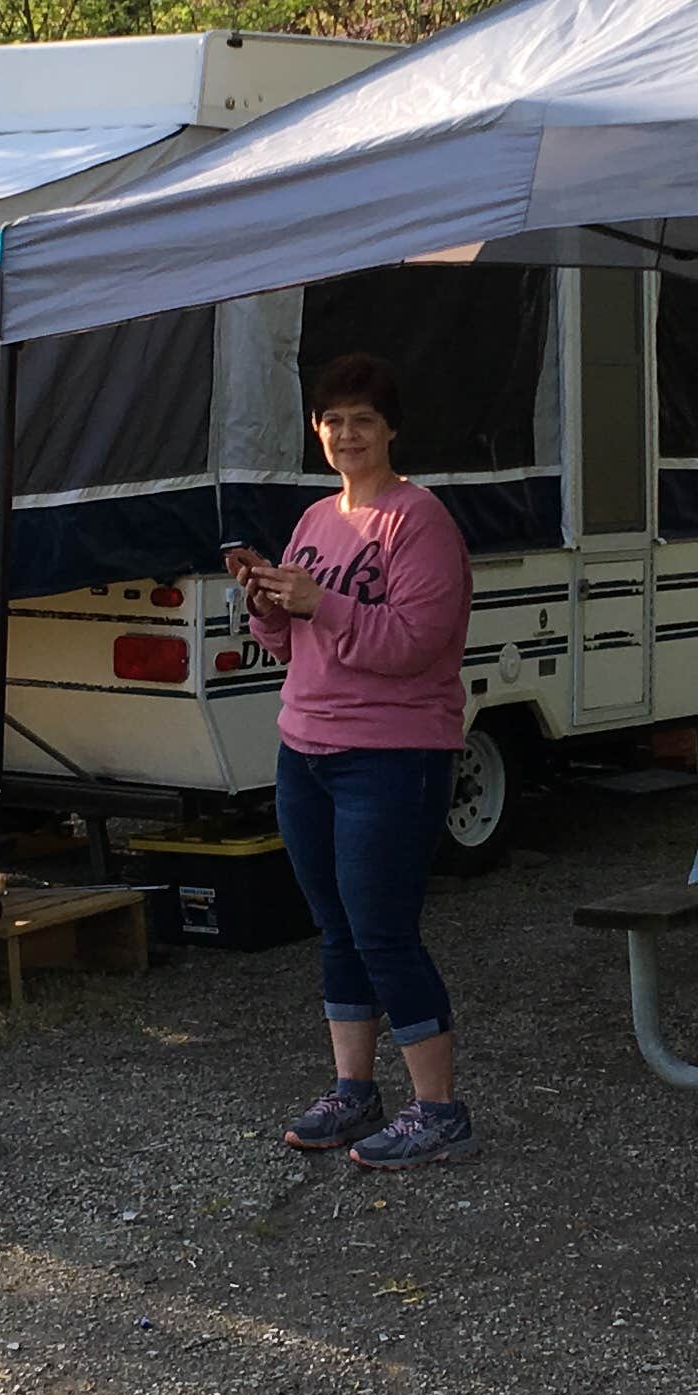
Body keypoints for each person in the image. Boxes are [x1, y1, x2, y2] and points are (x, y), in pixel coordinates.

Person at [223, 352, 479, 1171]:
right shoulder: (314, 521)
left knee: (383, 932)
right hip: (306, 750)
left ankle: (438, 1109)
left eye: (362, 420)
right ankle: (353, 1090)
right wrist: (266, 602)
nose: (345, 435)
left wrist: (320, 602)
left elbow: (413, 644)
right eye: (332, 421)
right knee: (335, 929)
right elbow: (290, 639)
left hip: (394, 755)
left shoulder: (419, 520)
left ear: (392, 429)